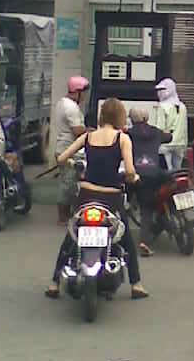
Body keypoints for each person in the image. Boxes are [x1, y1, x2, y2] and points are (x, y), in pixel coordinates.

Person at [47, 97, 147, 299]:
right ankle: (136, 285)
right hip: (111, 198)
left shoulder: (88, 136)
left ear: (102, 115)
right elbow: (129, 171)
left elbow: (61, 158)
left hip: (86, 195)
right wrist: (133, 178)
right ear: (120, 116)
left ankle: (54, 283)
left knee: (72, 237)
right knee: (126, 238)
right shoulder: (122, 138)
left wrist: (75, 165)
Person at [127, 106, 172, 255]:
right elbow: (169, 137)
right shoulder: (156, 132)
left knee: (145, 208)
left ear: (132, 119)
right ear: (147, 118)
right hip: (156, 174)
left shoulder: (128, 134)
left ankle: (143, 242)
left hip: (138, 174)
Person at [54, 75, 89, 225]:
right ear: (78, 91)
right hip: (68, 150)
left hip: (64, 148)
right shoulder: (71, 108)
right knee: (67, 183)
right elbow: (77, 131)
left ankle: (67, 213)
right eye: (84, 93)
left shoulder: (63, 102)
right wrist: (92, 132)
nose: (85, 96)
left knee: (69, 181)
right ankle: (62, 217)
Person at [152, 78, 188, 172]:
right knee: (178, 171)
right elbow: (184, 128)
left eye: (162, 90)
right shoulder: (182, 106)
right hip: (180, 143)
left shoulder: (162, 106)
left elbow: (160, 127)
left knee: (167, 172)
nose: (159, 93)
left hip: (166, 144)